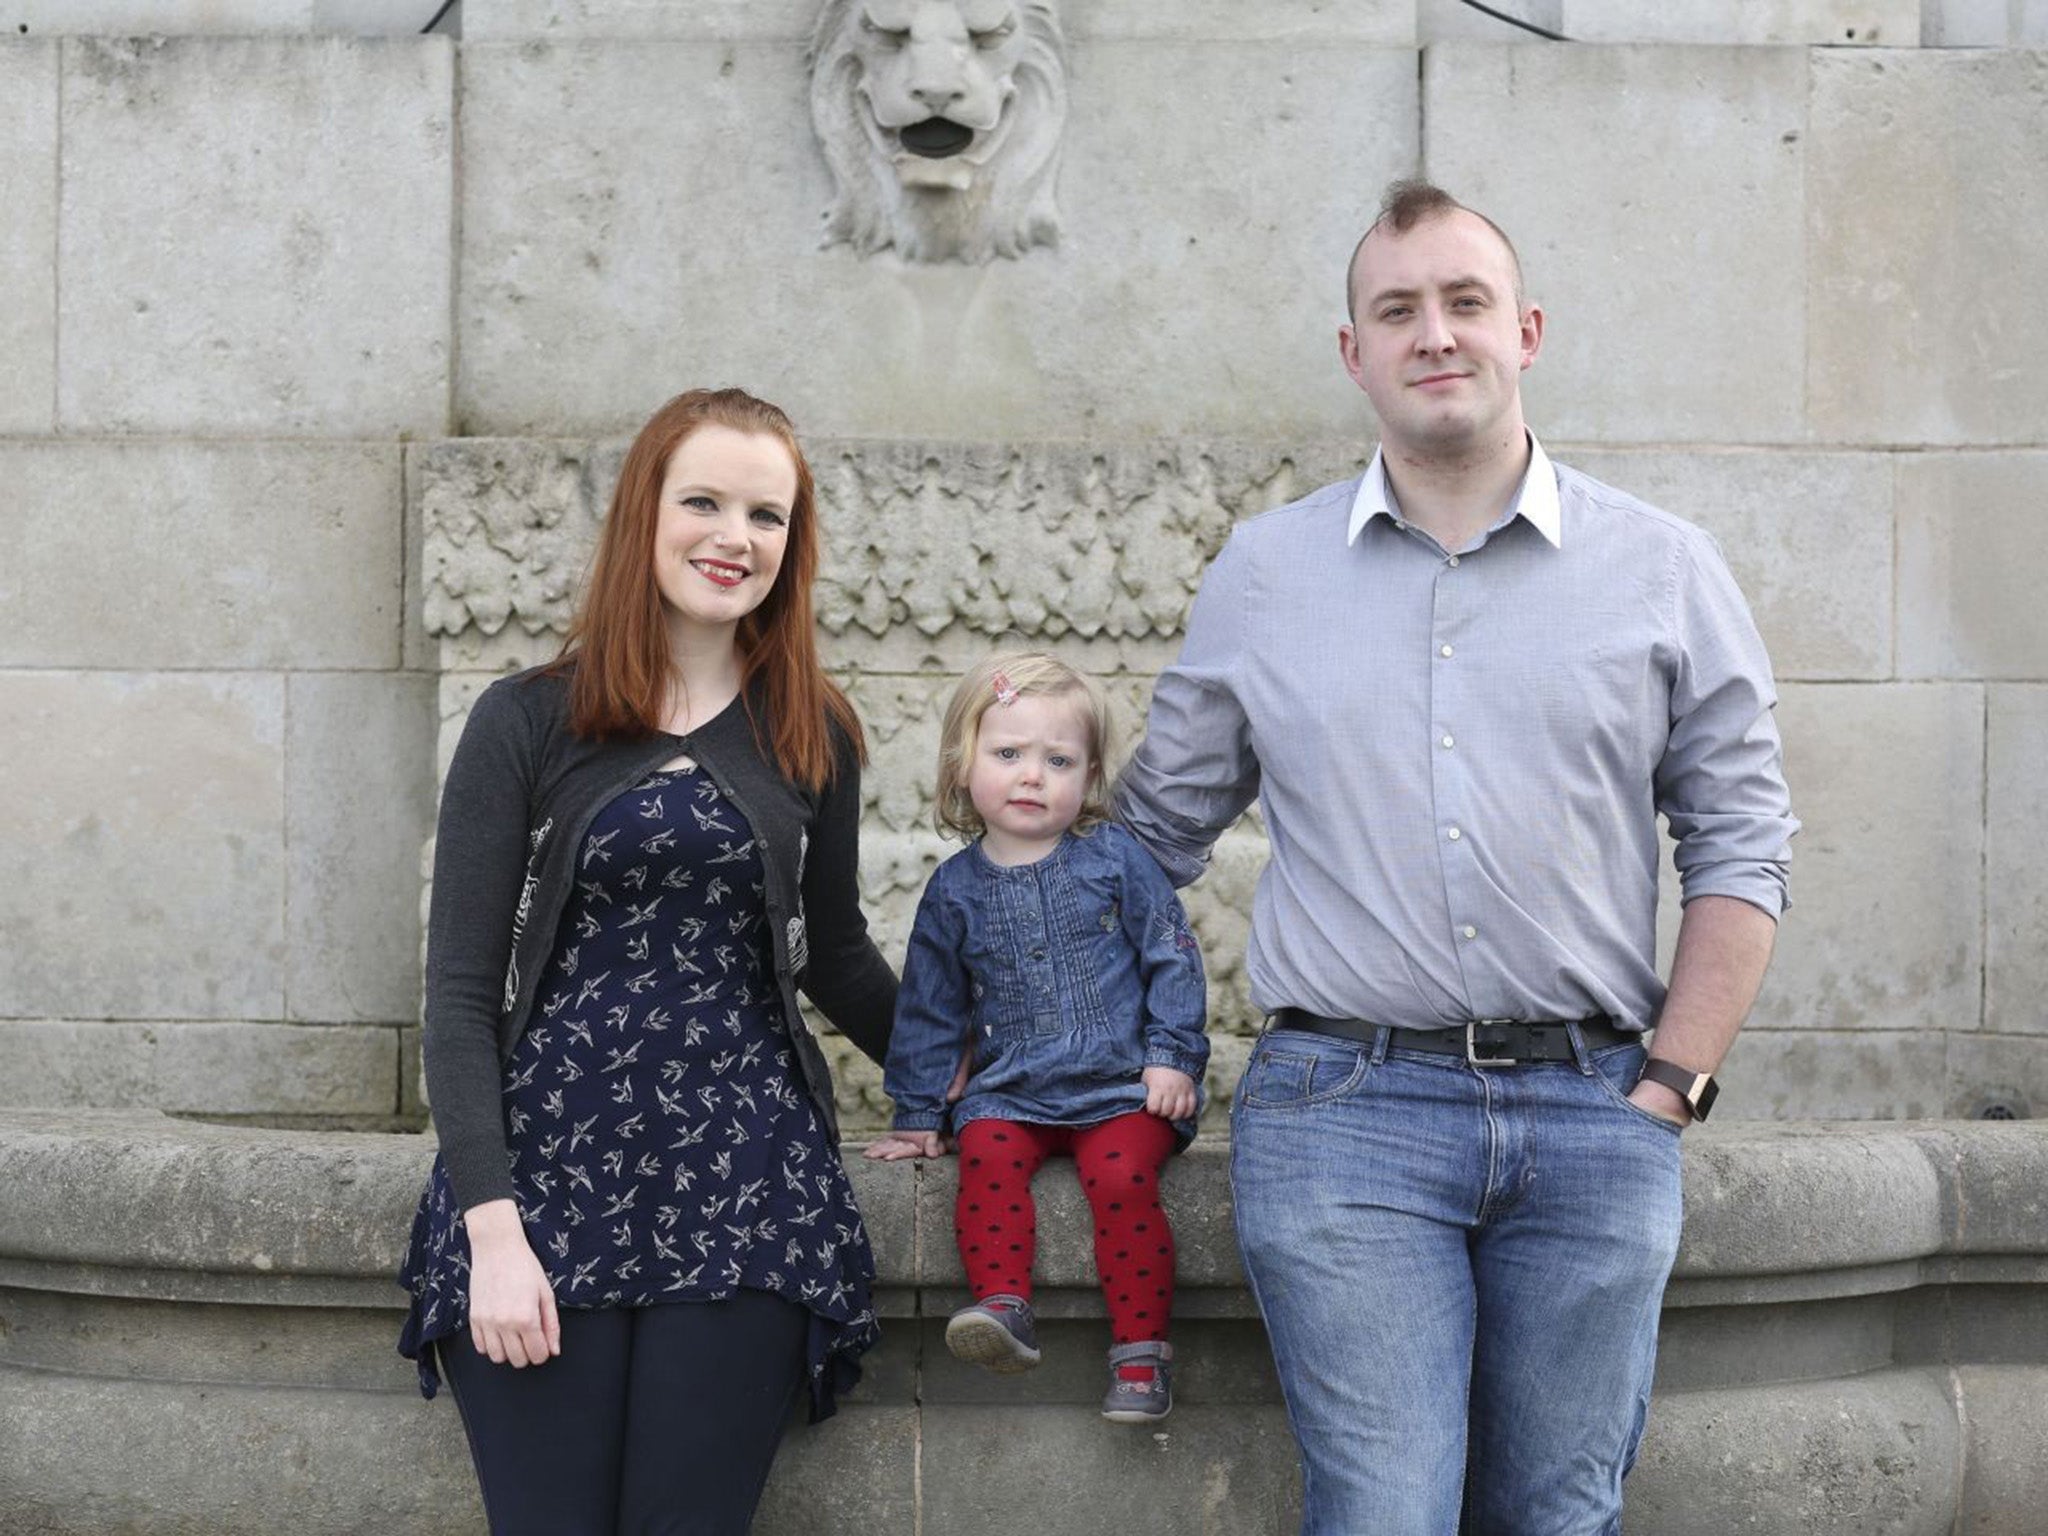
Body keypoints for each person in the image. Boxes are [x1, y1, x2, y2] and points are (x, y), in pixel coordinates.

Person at [1114, 181, 1798, 1534]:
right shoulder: (1264, 572)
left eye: (1466, 303)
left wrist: (1673, 1082)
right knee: (1384, 1516)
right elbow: (1148, 842)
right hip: (1342, 1113)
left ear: (1525, 329)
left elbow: (1742, 834)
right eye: (1398, 310)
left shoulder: (1663, 568)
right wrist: (1026, 1028)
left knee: (1560, 1515)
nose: (1436, 334)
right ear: (1352, 352)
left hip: (1598, 1110)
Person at [397, 388, 897, 1536]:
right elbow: (461, 996)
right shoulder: (526, 721)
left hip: (747, 1186)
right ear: (644, 513)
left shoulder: (813, 730)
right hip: (545, 1178)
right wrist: (491, 1226)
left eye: (766, 516)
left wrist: (976, 1066)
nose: (736, 537)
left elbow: (836, 956)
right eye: (706, 502)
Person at [864, 651, 1209, 1423]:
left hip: (1121, 1089)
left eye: (1058, 760)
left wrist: (1173, 1058)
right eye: (1008, 754)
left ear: (1088, 779)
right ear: (963, 766)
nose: (1032, 776)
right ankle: (1004, 1308)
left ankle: (1142, 1355)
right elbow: (931, 1009)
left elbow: (1172, 956)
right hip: (1011, 1091)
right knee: (984, 1155)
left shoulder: (1116, 860)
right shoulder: (952, 890)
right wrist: (919, 1115)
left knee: (1121, 1178)